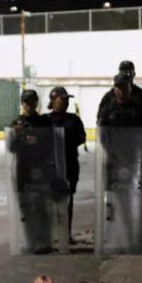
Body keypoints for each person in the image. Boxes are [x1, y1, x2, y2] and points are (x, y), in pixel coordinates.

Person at [47, 86, 87, 234]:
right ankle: (51, 235)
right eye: (61, 99)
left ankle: (65, 234)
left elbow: (81, 137)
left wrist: (67, 140)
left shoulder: (74, 119)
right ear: (53, 100)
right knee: (50, 201)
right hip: (51, 167)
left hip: (69, 164)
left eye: (66, 99)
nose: (65, 102)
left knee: (67, 200)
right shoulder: (45, 120)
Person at [96, 60, 142, 132]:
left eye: (128, 72)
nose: (125, 75)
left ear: (134, 74)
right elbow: (100, 125)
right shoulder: (108, 98)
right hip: (114, 142)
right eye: (122, 72)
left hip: (138, 141)